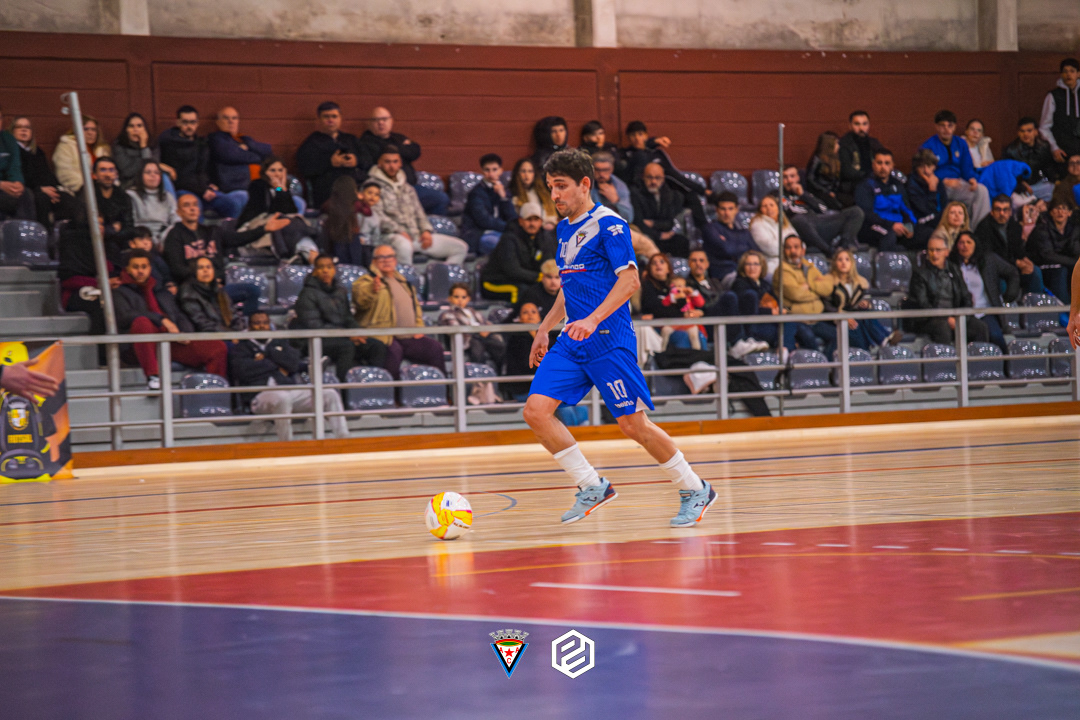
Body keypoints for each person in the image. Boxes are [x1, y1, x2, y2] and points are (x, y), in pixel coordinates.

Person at [523, 149, 715, 527]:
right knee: (535, 412)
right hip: (573, 340)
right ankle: (591, 485)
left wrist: (593, 319)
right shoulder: (564, 229)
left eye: (561, 186)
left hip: (609, 338)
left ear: (585, 184)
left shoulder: (610, 224)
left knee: (633, 425)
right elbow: (569, 287)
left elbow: (630, 281)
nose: (555, 195)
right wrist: (545, 328)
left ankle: (695, 488)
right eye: (550, 187)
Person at [113, 249, 228, 390]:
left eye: (144, 267)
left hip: (169, 342)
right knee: (142, 322)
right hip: (138, 347)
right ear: (127, 269)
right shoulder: (119, 292)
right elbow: (125, 317)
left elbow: (179, 315)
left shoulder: (162, 292)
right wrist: (161, 319)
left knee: (217, 347)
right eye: (136, 267)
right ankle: (153, 376)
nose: (141, 271)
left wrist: (184, 333)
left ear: (150, 268)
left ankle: (214, 390)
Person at [231, 311, 350, 441]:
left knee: (329, 393)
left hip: (287, 389)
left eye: (265, 323)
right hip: (259, 396)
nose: (262, 326)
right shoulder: (241, 346)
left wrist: (265, 357)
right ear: (249, 326)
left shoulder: (279, 342)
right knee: (283, 397)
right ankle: (286, 443)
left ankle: (343, 438)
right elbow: (242, 372)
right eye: (257, 323)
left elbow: (293, 364)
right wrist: (277, 365)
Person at [161, 193, 280, 312]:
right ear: (178, 212)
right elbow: (177, 268)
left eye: (195, 205)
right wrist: (207, 280)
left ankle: (247, 322)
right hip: (192, 291)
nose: (192, 209)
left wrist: (264, 229)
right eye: (187, 205)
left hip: (217, 289)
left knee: (252, 291)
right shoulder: (174, 236)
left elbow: (239, 238)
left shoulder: (212, 231)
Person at [352, 246, 446, 379]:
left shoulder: (404, 282)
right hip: (382, 336)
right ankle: (393, 391)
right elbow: (361, 301)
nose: (386, 260)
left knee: (434, 348)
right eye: (381, 257)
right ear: (374, 261)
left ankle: (444, 389)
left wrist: (419, 327)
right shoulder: (365, 282)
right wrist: (372, 290)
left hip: (408, 336)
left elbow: (416, 309)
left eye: (389, 257)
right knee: (394, 352)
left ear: (395, 260)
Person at [366, 146, 468, 265]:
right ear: (379, 163)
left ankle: (442, 275)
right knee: (404, 246)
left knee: (460, 247)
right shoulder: (371, 187)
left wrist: (425, 231)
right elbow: (377, 216)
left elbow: (419, 213)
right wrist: (399, 230)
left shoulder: (408, 188)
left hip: (415, 235)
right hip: (389, 236)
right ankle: (406, 276)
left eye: (395, 161)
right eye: (387, 162)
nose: (392, 166)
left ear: (400, 163)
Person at [295, 253, 387, 381]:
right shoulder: (307, 294)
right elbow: (314, 326)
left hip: (342, 336)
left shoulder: (340, 290)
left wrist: (357, 333)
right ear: (315, 271)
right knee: (347, 346)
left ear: (334, 270)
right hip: (316, 340)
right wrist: (347, 335)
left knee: (376, 346)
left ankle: (372, 384)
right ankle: (344, 388)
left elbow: (348, 317)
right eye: (321, 267)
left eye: (329, 267)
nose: (325, 270)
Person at [357, 106, 447, 215]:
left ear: (391, 121)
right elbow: (378, 155)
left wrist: (394, 148)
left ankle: (429, 225)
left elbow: (415, 151)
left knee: (441, 198)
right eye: (376, 120)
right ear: (369, 123)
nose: (381, 123)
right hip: (385, 191)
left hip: (409, 187)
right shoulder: (364, 142)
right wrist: (402, 148)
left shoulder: (397, 137)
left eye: (384, 119)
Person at [907, 236, 990, 345]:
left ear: (946, 252)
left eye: (938, 250)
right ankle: (946, 356)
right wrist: (946, 318)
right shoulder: (920, 274)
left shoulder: (954, 270)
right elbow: (923, 304)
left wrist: (961, 318)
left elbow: (966, 297)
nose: (934, 254)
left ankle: (977, 356)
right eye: (931, 250)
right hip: (928, 319)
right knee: (943, 327)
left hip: (955, 316)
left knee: (980, 327)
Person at [949, 230, 1018, 352]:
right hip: (963, 313)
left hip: (985, 311)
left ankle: (1005, 363)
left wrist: (1009, 296)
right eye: (961, 243)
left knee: (996, 337)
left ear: (975, 244)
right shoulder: (951, 265)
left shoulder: (988, 260)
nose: (965, 245)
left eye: (969, 242)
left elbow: (1012, 273)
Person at [921, 110, 991, 225]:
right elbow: (923, 172)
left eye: (950, 126)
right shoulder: (928, 146)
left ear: (954, 127)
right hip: (940, 185)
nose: (946, 129)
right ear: (936, 127)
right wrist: (943, 181)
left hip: (959, 183)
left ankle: (977, 230)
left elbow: (967, 167)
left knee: (981, 191)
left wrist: (971, 179)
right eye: (942, 126)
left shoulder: (961, 143)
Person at [773, 235, 838, 358]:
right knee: (809, 339)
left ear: (802, 250)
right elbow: (796, 294)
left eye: (796, 247)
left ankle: (826, 364)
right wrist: (817, 291)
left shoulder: (809, 267)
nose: (793, 251)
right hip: (796, 319)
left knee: (838, 335)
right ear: (784, 251)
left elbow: (827, 288)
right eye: (788, 248)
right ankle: (817, 365)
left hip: (816, 319)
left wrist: (809, 285)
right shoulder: (782, 271)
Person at [479, 201, 556, 303]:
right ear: (520, 221)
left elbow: (548, 261)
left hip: (525, 279)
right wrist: (538, 277)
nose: (532, 224)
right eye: (528, 220)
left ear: (541, 222)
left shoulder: (544, 238)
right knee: (522, 290)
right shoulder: (509, 238)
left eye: (536, 220)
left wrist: (548, 277)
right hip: (495, 281)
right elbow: (512, 270)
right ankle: (519, 313)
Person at [10, 115, 78, 227]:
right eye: (19, 127)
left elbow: (46, 173)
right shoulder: (12, 152)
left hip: (47, 189)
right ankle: (45, 233)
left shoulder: (37, 151)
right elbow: (19, 176)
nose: (24, 130)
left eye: (27, 127)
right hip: (30, 190)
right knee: (41, 199)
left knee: (71, 201)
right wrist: (40, 189)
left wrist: (54, 189)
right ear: (12, 131)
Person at [779, 165, 863, 253]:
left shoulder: (806, 194)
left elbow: (823, 209)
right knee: (798, 219)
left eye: (792, 176)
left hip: (820, 224)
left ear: (798, 178)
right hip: (803, 231)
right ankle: (830, 252)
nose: (789, 180)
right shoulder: (778, 196)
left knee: (856, 211)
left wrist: (803, 195)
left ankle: (844, 247)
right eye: (785, 177)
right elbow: (787, 212)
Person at [828, 248, 899, 351]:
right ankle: (883, 339)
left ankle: (878, 343)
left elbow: (858, 303)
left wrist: (865, 304)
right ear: (835, 263)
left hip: (855, 316)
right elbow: (828, 307)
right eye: (840, 260)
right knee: (859, 327)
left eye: (847, 259)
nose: (843, 262)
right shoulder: (829, 282)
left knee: (865, 313)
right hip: (837, 318)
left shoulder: (859, 282)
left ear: (852, 263)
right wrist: (844, 317)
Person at [207, 107, 273, 218]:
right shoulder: (216, 139)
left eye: (234, 118)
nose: (231, 121)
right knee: (244, 197)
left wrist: (249, 145)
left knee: (295, 199)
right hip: (235, 189)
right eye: (226, 118)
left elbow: (268, 151)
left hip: (263, 187)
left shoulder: (244, 139)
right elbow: (231, 155)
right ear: (218, 122)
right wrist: (256, 155)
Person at [974, 194, 1045, 294]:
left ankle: (1033, 302)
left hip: (1012, 265)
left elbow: (1018, 249)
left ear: (1010, 212)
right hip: (994, 270)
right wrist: (1017, 263)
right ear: (992, 211)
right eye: (998, 209)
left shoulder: (1014, 225)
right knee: (1003, 283)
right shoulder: (983, 228)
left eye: (1005, 210)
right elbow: (990, 257)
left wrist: (1026, 260)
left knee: (1035, 271)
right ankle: (1007, 303)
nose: (1002, 213)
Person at [158, 105, 219, 215]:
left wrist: (210, 184)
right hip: (182, 190)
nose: (189, 126)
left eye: (193, 122)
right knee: (194, 204)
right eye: (185, 122)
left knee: (238, 198)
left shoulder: (202, 144)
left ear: (198, 123)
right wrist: (202, 190)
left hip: (203, 189)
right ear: (178, 123)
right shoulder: (169, 143)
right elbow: (180, 177)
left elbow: (203, 170)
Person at [854, 148, 916, 251]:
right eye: (879, 163)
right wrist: (891, 225)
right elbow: (867, 214)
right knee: (888, 235)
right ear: (873, 164)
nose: (883, 167)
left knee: (925, 233)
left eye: (887, 163)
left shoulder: (898, 185)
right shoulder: (865, 186)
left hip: (899, 226)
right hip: (874, 226)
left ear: (892, 166)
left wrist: (909, 225)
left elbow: (907, 209)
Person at [438, 282, 506, 369]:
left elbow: (486, 323)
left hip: (483, 338)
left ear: (468, 299)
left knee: (499, 346)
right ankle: (478, 373)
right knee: (477, 346)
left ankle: (501, 372)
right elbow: (455, 328)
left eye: (463, 297)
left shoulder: (474, 312)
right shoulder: (448, 314)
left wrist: (485, 331)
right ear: (450, 298)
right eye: (456, 297)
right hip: (465, 341)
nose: (460, 300)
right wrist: (478, 332)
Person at [631, 161, 691, 258]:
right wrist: (658, 235)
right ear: (643, 177)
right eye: (649, 177)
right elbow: (638, 222)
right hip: (647, 235)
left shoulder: (669, 194)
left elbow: (670, 222)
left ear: (663, 179)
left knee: (682, 241)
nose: (653, 182)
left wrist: (653, 223)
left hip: (665, 233)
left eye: (657, 178)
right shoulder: (636, 194)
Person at [462, 153, 517, 255]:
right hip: (479, 234)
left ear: (501, 171)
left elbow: (512, 216)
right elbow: (484, 221)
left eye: (494, 169)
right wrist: (510, 227)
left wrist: (503, 198)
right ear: (482, 171)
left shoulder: (504, 191)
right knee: (507, 245)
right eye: (487, 170)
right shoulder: (476, 193)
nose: (491, 174)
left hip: (500, 231)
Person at [1027, 198, 1080, 302]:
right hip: (1042, 266)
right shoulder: (1042, 228)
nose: (1060, 212)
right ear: (1051, 212)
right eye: (1057, 208)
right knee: (1061, 271)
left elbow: (1075, 251)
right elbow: (1047, 255)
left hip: (1065, 265)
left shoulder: (1073, 230)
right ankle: (1064, 307)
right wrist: (1074, 262)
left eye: (1063, 208)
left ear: (1069, 213)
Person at [730, 250, 784, 350]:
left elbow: (778, 303)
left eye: (756, 264)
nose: (752, 268)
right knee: (782, 331)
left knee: (794, 325)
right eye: (748, 264)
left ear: (761, 266)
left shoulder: (765, 284)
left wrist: (781, 310)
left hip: (770, 321)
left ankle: (786, 349)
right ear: (743, 267)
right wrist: (770, 312)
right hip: (752, 326)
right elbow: (745, 310)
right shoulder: (739, 284)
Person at [178, 257, 247, 333]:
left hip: (226, 334)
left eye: (208, 267)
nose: (205, 270)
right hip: (204, 336)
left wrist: (237, 330)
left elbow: (234, 316)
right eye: (200, 268)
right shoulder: (188, 291)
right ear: (193, 271)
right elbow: (202, 323)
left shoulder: (219, 291)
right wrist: (230, 334)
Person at [702, 192, 758, 281]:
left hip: (745, 271)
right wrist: (745, 247)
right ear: (716, 210)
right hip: (723, 275)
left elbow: (756, 252)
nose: (727, 213)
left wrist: (729, 243)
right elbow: (727, 249)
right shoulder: (710, 228)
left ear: (737, 209)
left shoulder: (743, 231)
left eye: (730, 209)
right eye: (723, 209)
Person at [1003, 117, 1060, 205]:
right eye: (1022, 131)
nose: (1025, 134)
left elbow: (1048, 168)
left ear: (1036, 132)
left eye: (1029, 131)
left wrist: (1053, 180)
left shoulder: (1043, 146)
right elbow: (1007, 175)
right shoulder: (1010, 150)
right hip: (1018, 188)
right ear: (1018, 133)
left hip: (1037, 184)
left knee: (1052, 189)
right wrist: (1021, 186)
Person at [237, 156, 307, 226]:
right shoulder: (258, 185)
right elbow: (270, 210)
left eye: (280, 170)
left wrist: (282, 189)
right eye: (272, 170)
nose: (277, 174)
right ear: (265, 172)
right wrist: (279, 189)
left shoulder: (282, 187)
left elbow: (290, 211)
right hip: (257, 222)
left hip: (280, 222)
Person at [111, 112, 172, 190]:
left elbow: (152, 166)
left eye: (139, 126)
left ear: (145, 129)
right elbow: (127, 172)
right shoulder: (119, 145)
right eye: (131, 126)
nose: (135, 129)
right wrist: (144, 151)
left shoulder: (153, 144)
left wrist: (144, 146)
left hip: (151, 181)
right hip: (130, 183)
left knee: (164, 177)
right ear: (126, 130)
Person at [320, 175, 371, 266]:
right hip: (352, 238)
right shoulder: (356, 204)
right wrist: (362, 199)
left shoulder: (330, 203)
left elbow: (322, 211)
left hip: (333, 238)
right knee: (355, 263)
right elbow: (368, 212)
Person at [53, 114, 110, 195]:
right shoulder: (66, 147)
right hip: (79, 191)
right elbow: (66, 175)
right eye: (85, 129)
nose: (90, 133)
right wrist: (91, 188)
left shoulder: (102, 149)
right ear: (77, 130)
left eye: (93, 129)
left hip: (102, 190)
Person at [126, 160, 179, 244]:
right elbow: (132, 224)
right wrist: (150, 239)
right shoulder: (131, 195)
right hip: (142, 238)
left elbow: (176, 220)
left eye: (156, 173)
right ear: (140, 175)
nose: (153, 175)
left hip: (165, 237)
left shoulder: (168, 196)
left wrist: (164, 236)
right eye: (148, 172)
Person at [838, 110, 885, 205]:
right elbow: (847, 171)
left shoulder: (874, 143)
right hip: (852, 186)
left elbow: (885, 159)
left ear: (869, 125)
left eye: (864, 124)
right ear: (850, 126)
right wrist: (869, 176)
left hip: (873, 181)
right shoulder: (844, 144)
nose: (861, 128)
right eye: (857, 124)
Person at [1040, 58, 1080, 167]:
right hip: (1062, 152)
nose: (1068, 74)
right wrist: (1054, 148)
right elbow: (1044, 127)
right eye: (1065, 71)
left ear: (1078, 74)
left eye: (1072, 71)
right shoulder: (1053, 96)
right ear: (1061, 74)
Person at [906, 149, 949, 250]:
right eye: (922, 167)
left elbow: (945, 205)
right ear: (916, 168)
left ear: (934, 167)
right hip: (919, 224)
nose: (926, 170)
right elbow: (926, 210)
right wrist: (932, 191)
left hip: (935, 219)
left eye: (929, 166)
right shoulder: (911, 184)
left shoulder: (937, 182)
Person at [92, 157, 133, 249]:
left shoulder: (123, 197)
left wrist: (108, 232)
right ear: (94, 175)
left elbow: (129, 227)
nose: (107, 174)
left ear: (116, 174)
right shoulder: (87, 193)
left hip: (117, 243)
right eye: (103, 170)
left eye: (111, 170)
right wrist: (112, 229)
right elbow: (83, 224)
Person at [748, 194, 794, 276]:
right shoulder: (757, 224)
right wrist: (792, 249)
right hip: (772, 266)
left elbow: (800, 244)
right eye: (764, 206)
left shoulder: (785, 223)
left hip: (790, 263)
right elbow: (772, 249)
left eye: (771, 205)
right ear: (760, 210)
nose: (769, 208)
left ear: (778, 208)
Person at [0, 108, 32, 221]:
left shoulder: (7, 139)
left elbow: (14, 166)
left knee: (25, 194)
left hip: (6, 186)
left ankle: (26, 230)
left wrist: (17, 183)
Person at [509, 157, 559, 230]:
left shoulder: (543, 192)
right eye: (523, 171)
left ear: (534, 174)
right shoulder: (511, 194)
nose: (526, 175)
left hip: (548, 228)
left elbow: (552, 214)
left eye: (530, 171)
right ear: (517, 173)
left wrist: (550, 223)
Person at [589, 150, 632, 223]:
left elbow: (629, 217)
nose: (601, 174)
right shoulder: (585, 185)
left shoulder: (620, 185)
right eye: (597, 170)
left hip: (615, 224)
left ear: (612, 169)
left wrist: (616, 200)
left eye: (605, 170)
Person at [805, 131, 845, 209]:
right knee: (837, 205)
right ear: (829, 145)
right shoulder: (817, 159)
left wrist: (834, 191)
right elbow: (810, 180)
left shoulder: (836, 159)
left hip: (831, 191)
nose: (838, 146)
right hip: (819, 192)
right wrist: (827, 192)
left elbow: (836, 180)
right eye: (836, 143)